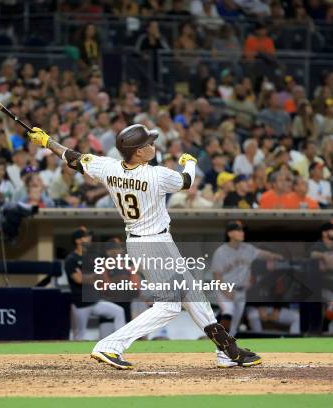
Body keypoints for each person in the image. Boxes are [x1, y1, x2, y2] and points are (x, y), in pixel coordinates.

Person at [26, 124, 261, 369]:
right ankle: (110, 345)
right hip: (153, 243)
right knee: (169, 305)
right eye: (148, 144)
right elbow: (188, 180)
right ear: (137, 152)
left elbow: (72, 158)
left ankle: (226, 349)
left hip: (145, 241)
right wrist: (189, 160)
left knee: (192, 292)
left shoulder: (108, 167)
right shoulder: (156, 175)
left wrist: (47, 142)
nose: (153, 146)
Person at [212, 221, 282, 338]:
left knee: (235, 323)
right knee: (228, 312)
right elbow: (216, 275)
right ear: (230, 233)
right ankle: (218, 339)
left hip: (241, 291)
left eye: (242, 230)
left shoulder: (248, 249)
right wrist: (225, 290)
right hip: (224, 289)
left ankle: (228, 344)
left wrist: (276, 256)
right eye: (238, 230)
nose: (242, 232)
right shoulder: (221, 252)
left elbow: (263, 254)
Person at [64, 228, 126, 340]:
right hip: (80, 303)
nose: (88, 238)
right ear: (78, 241)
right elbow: (78, 280)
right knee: (79, 335)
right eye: (85, 237)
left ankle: (120, 341)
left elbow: (101, 275)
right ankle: (72, 357)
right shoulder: (71, 259)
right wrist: (93, 276)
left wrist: (88, 276)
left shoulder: (91, 256)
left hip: (94, 300)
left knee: (118, 311)